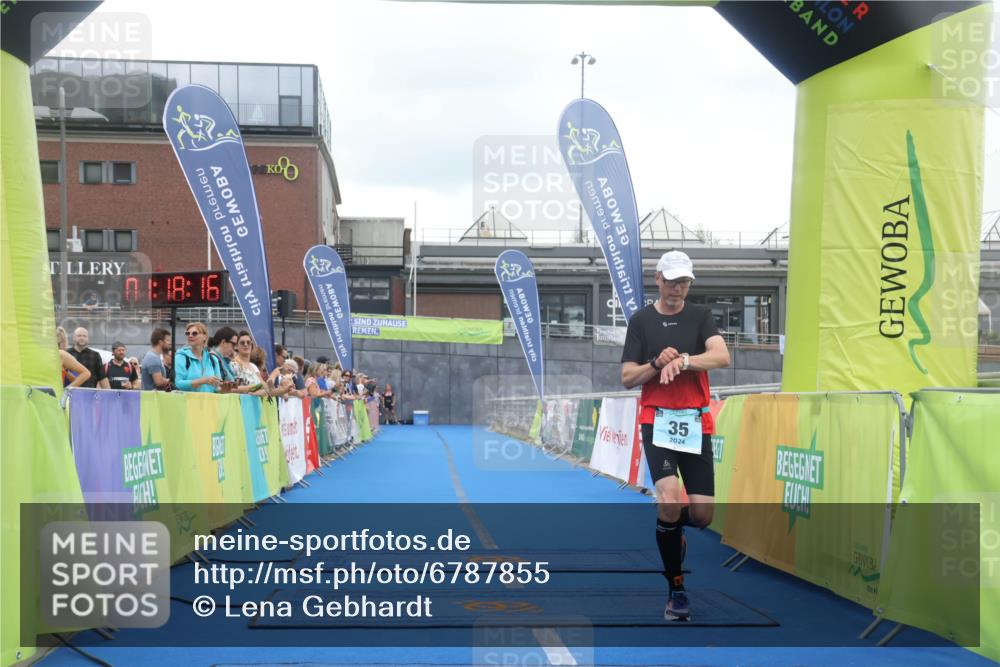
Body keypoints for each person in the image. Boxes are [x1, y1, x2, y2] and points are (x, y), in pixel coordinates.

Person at [620, 250, 731, 621]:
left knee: (702, 516)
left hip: (696, 422)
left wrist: (683, 360)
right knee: (668, 500)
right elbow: (627, 378)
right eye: (671, 281)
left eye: (684, 281)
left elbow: (721, 357)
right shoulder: (641, 321)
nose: (677, 288)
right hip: (658, 422)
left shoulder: (700, 317)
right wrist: (656, 363)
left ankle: (671, 528)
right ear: (658, 279)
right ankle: (677, 590)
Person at [174, 322, 223, 393]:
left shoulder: (213, 359)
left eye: (194, 333)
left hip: (209, 402)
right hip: (188, 402)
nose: (190, 336)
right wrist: (203, 381)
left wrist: (224, 387)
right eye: (187, 333)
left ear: (205, 336)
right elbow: (178, 384)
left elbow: (217, 386)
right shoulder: (181, 357)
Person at [230, 330, 268, 396]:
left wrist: (262, 391)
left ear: (251, 345)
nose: (246, 344)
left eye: (248, 342)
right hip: (240, 403)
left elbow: (264, 386)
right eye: (242, 343)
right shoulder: (233, 364)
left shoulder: (253, 366)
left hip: (255, 404)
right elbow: (229, 389)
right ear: (236, 346)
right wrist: (250, 389)